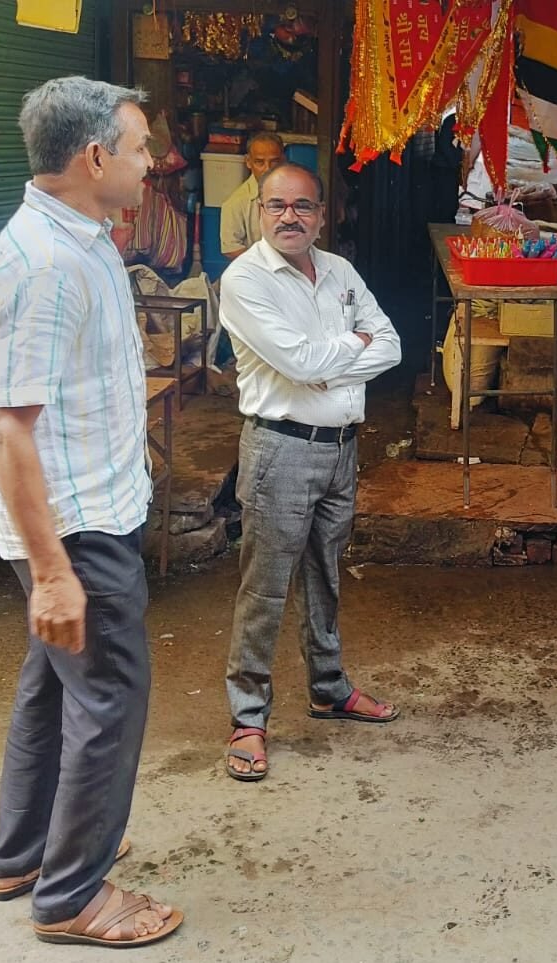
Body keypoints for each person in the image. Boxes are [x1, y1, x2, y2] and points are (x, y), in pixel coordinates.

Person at [0, 76, 183, 947]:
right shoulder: (47, 263)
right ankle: (73, 893)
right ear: (95, 156)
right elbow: (9, 431)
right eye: (141, 147)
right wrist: (55, 571)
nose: (155, 162)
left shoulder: (84, 233)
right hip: (78, 528)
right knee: (109, 696)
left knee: (50, 689)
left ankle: (23, 851)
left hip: (95, 507)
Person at [220, 162, 402, 781]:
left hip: (341, 448)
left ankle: (328, 687)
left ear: (323, 214)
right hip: (280, 450)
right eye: (277, 206)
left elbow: (394, 344)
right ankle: (248, 718)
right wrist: (351, 347)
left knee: (326, 576)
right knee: (265, 587)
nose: (289, 217)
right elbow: (297, 364)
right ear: (260, 213)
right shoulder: (246, 281)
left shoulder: (340, 271)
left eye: (302, 206)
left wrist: (331, 359)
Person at [220, 131, 285, 260]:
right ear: (248, 162)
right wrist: (266, 265)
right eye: (260, 162)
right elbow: (231, 249)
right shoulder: (236, 203)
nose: (267, 169)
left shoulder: (295, 192)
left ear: (283, 160)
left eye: (274, 162)